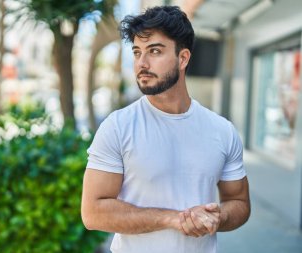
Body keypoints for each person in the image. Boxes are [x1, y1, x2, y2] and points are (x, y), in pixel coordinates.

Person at [81, 5, 250, 253]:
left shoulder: (222, 130)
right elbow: (93, 212)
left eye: (155, 51)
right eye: (137, 52)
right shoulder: (118, 127)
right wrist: (173, 219)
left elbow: (239, 202)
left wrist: (218, 218)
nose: (142, 63)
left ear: (183, 58)